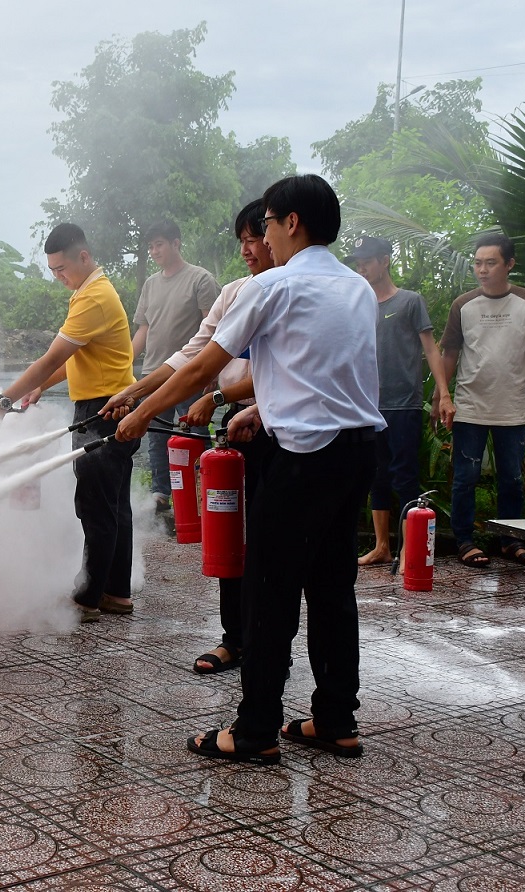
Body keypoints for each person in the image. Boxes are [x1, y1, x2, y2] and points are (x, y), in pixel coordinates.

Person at [116, 174, 383, 764]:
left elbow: (201, 368)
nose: (261, 234)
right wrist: (263, 408)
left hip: (301, 463)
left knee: (269, 592)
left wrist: (142, 411)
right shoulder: (356, 290)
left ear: (292, 223)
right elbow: (327, 375)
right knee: (334, 589)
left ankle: (256, 728)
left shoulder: (273, 287)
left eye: (266, 222)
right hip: (355, 453)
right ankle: (337, 720)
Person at [102, 200, 272, 675]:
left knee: (269, 542)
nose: (247, 249)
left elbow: (266, 374)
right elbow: (191, 353)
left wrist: (208, 398)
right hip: (237, 421)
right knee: (228, 532)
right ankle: (234, 639)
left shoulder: (286, 291)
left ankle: (267, 645)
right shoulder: (236, 291)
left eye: (255, 237)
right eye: (241, 240)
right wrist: (133, 390)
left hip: (273, 422)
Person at [0, 223, 140, 621]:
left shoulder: (93, 298)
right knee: (114, 505)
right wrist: (38, 389)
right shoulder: (91, 292)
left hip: (102, 411)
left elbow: (51, 358)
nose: (59, 278)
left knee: (95, 507)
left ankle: (87, 598)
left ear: (83, 257)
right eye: (52, 271)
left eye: (61, 269)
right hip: (112, 405)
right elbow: (75, 359)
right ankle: (116, 593)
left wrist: (1, 402)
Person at [437, 232, 525, 568]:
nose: (482, 270)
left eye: (490, 263)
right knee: (466, 477)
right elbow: (449, 354)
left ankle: (511, 540)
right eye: (477, 263)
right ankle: (464, 540)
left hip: (513, 407)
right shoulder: (464, 305)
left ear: (509, 264)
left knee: (511, 479)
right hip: (470, 406)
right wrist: (442, 397)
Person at [349, 236, 453, 567]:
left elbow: (431, 349)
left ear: (385, 261)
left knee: (405, 475)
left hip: (404, 403)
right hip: (368, 405)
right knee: (375, 475)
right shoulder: (357, 304)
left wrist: (444, 393)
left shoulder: (409, 302)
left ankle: (410, 547)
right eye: (358, 262)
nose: (361, 268)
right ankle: (382, 547)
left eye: (367, 261)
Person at [131, 220, 219, 516]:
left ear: (176, 243)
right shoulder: (151, 284)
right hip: (154, 373)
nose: (154, 251)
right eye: (151, 246)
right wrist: (125, 366)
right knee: (155, 435)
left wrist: (212, 372)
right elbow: (143, 329)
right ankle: (161, 493)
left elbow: (215, 329)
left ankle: (201, 491)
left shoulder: (200, 280)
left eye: (160, 244)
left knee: (193, 433)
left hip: (189, 373)